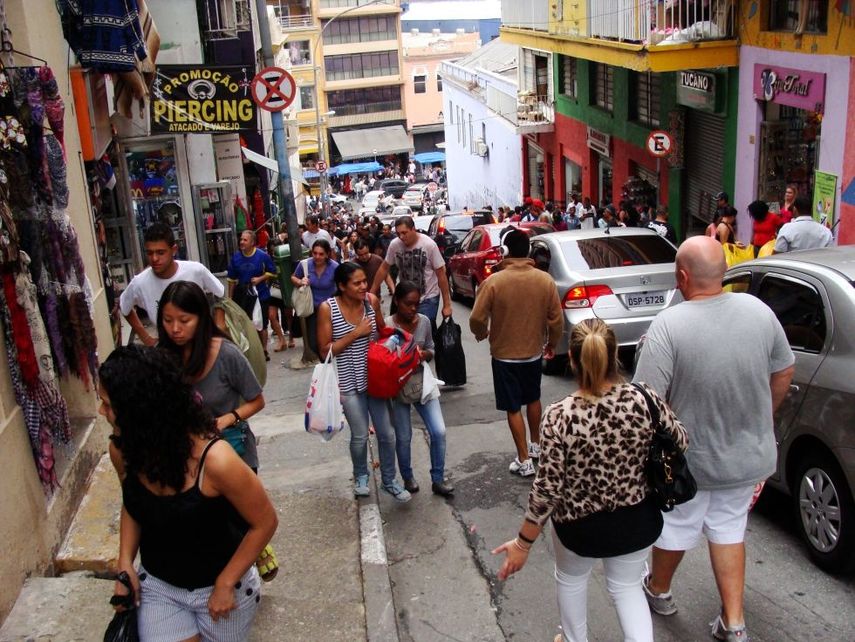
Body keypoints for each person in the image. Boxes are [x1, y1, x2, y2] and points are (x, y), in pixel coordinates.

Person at [634, 236, 795, 642]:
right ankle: (734, 623)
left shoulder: (669, 325)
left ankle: (659, 590)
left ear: (682, 277)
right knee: (729, 528)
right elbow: (785, 369)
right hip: (748, 456)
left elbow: (645, 400)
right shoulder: (759, 311)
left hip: (690, 463)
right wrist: (764, 416)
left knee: (676, 528)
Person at [493, 319, 688, 642]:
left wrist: (522, 543)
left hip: (579, 527)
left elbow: (548, 489)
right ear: (614, 357)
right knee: (626, 588)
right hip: (637, 519)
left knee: (571, 580)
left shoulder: (560, 416)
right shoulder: (645, 400)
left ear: (572, 359)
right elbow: (680, 441)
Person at [100, 346, 278, 642]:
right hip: (160, 587)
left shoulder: (216, 460)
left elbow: (265, 522)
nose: (100, 411)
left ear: (137, 409)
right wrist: (124, 564)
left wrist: (226, 582)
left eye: (107, 404)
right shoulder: (122, 450)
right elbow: (133, 505)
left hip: (221, 589)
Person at [470, 229, 563, 477]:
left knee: (513, 407)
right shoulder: (544, 280)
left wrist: (481, 332)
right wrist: (552, 343)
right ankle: (536, 446)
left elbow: (477, 318)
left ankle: (523, 459)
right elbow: (556, 319)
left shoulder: (493, 282)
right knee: (533, 399)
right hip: (533, 352)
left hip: (504, 355)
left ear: (506, 252)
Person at [316, 262, 411, 502]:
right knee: (359, 435)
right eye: (356, 283)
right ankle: (361, 475)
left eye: (364, 281)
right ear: (341, 286)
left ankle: (389, 480)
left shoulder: (371, 302)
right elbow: (324, 350)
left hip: (375, 380)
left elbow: (380, 332)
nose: (363, 287)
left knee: (387, 434)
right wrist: (355, 333)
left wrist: (396, 341)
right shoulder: (328, 309)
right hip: (347, 383)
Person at [387, 282, 454, 497]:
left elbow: (431, 349)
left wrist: (421, 354)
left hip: (422, 381)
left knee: (439, 431)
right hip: (397, 387)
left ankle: (438, 478)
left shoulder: (424, 322)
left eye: (417, 304)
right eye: (409, 304)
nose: (413, 309)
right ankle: (407, 476)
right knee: (404, 436)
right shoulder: (387, 326)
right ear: (397, 301)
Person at [120, 222, 224, 346]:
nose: (154, 259)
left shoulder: (196, 270)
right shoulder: (140, 283)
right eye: (149, 253)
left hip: (202, 343)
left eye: (160, 252)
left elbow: (220, 294)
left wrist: (219, 327)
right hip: (168, 350)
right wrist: (146, 338)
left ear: (173, 250)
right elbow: (124, 307)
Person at [370, 216, 452, 328]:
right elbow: (384, 268)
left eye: (404, 233)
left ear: (413, 229)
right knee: (403, 331)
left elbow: (441, 274)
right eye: (398, 234)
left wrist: (447, 305)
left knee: (424, 329)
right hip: (406, 298)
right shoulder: (395, 245)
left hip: (428, 297)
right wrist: (372, 291)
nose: (401, 237)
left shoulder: (429, 245)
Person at [227, 230, 287, 358]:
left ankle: (264, 350)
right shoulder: (236, 258)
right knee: (247, 324)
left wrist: (260, 279)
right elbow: (231, 279)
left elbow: (273, 272)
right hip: (244, 296)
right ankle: (253, 351)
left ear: (253, 242)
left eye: (245, 240)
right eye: (241, 239)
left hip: (261, 295)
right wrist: (230, 298)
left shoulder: (262, 256)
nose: (242, 242)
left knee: (262, 324)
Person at [291, 239, 338, 357]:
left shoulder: (335, 267)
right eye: (315, 253)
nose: (317, 257)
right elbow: (293, 278)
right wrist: (301, 281)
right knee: (313, 343)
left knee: (331, 340)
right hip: (312, 309)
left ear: (327, 254)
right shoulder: (305, 264)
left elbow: (342, 286)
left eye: (321, 254)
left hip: (330, 310)